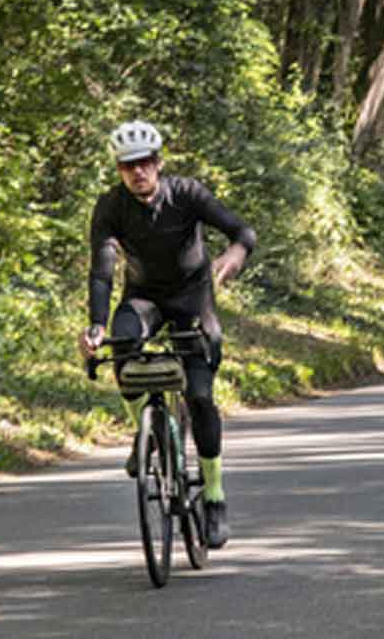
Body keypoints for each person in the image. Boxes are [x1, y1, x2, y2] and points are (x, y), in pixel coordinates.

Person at [79, 119, 255, 548]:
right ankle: (145, 432)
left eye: (144, 163)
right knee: (122, 347)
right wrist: (96, 324)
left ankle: (213, 496)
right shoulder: (111, 207)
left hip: (193, 298)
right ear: (119, 170)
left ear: (158, 163)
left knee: (198, 396)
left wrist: (234, 255)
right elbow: (102, 272)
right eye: (127, 166)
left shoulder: (187, 194)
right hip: (144, 298)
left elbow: (242, 231)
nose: (137, 172)